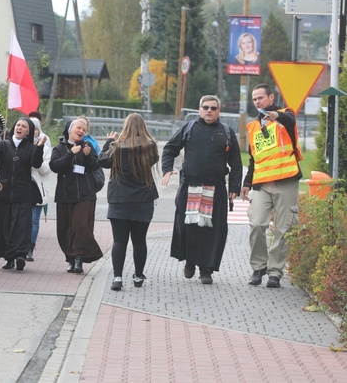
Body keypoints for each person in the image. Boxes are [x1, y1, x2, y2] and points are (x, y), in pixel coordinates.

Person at [162, 95, 242, 285]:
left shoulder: (227, 132)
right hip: (190, 187)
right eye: (205, 107)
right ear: (199, 109)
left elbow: (236, 163)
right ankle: (190, 261)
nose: (209, 110)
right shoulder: (189, 128)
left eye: (213, 108)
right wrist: (167, 169)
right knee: (187, 227)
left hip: (216, 189)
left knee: (213, 231)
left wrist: (235, 187)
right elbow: (169, 149)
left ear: (218, 111)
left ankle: (207, 269)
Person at [242, 84, 302, 289]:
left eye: (261, 97)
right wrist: (246, 182)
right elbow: (254, 159)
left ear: (271, 96)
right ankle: (258, 268)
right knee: (257, 224)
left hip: (286, 181)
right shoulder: (253, 127)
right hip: (262, 183)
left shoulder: (286, 115)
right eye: (254, 99)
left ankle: (275, 273)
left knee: (283, 229)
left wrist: (275, 115)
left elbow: (289, 120)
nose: (257, 101)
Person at [98, 114, 159, 291]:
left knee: (119, 241)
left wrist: (108, 141)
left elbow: (102, 160)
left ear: (126, 126)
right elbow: (154, 160)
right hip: (143, 200)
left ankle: (117, 277)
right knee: (139, 241)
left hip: (120, 200)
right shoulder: (151, 147)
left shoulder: (116, 147)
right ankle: (138, 276)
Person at [0, 117, 46, 271]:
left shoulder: (31, 148)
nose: (20, 128)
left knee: (21, 226)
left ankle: (20, 255)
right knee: (5, 226)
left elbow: (36, 164)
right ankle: (9, 258)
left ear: (28, 132)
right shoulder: (3, 144)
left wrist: (39, 147)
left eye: (24, 126)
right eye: (18, 125)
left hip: (23, 192)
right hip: (3, 192)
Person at [49, 117, 103, 274]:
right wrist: (69, 155)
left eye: (84, 130)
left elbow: (95, 166)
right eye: (78, 128)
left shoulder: (87, 146)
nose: (81, 131)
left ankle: (79, 258)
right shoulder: (59, 148)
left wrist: (88, 156)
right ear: (70, 129)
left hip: (85, 195)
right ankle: (71, 258)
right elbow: (54, 166)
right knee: (65, 229)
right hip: (65, 195)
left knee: (80, 226)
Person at [28, 117, 52, 262]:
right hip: (22, 188)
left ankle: (30, 248)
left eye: (35, 128)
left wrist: (36, 161)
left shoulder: (46, 149)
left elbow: (47, 169)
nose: (33, 131)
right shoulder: (19, 146)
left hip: (38, 188)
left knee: (34, 220)